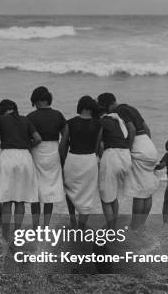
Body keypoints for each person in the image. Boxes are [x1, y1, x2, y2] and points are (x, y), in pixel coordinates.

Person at [101, 93, 159, 229]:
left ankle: (134, 226)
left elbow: (131, 129)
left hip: (138, 146)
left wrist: (127, 148)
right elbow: (147, 129)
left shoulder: (119, 111)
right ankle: (141, 225)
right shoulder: (132, 108)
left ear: (108, 105)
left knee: (139, 191)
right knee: (147, 190)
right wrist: (147, 146)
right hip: (149, 145)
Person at [0, 99, 41, 238]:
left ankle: (5, 234)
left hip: (8, 157)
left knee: (7, 199)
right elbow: (38, 138)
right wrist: (27, 145)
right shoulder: (26, 120)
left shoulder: (0, 119)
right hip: (24, 157)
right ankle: (17, 233)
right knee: (20, 199)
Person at [27, 86, 67, 227]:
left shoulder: (31, 117)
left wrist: (30, 146)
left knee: (35, 191)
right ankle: (46, 225)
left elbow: (27, 137)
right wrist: (62, 148)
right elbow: (66, 131)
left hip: (37, 151)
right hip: (53, 151)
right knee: (50, 190)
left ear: (36, 101)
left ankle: (36, 226)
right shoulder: (58, 115)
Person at [63, 96, 102, 229]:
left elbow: (63, 145)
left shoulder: (70, 123)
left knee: (69, 190)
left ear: (80, 107)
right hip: (89, 160)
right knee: (87, 195)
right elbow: (97, 147)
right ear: (92, 108)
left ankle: (72, 218)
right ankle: (81, 228)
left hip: (73, 160)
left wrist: (61, 162)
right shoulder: (98, 124)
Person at [97, 93, 131, 230]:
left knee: (105, 198)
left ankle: (110, 229)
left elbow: (99, 141)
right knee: (113, 195)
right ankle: (114, 226)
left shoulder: (102, 120)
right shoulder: (119, 120)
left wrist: (95, 154)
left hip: (112, 156)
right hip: (125, 156)